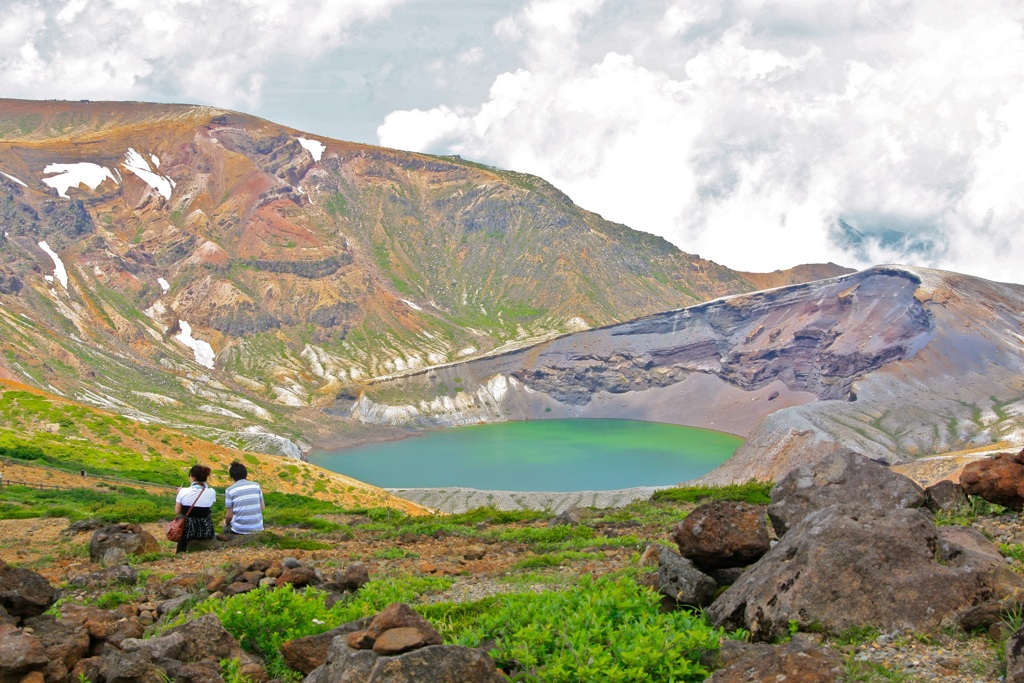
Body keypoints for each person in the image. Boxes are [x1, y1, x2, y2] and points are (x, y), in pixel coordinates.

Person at [174, 464, 216, 553]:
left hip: (188, 529)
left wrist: (180, 493)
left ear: (193, 477)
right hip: (205, 528)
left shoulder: (183, 491)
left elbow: (177, 511)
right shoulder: (212, 492)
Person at [223, 461, 264, 535]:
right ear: (246, 474)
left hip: (239, 530)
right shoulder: (256, 485)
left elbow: (229, 516)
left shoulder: (229, 490)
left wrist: (226, 523)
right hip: (258, 528)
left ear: (232, 476)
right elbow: (262, 507)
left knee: (226, 527)